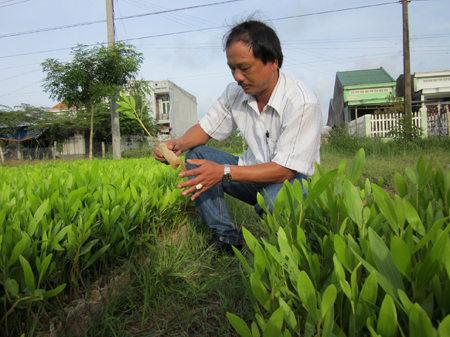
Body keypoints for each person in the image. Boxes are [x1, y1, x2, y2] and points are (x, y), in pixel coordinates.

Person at [155, 19, 322, 254]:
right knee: (196, 157)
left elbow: (285, 170)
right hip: (251, 174)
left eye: (244, 68)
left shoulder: (301, 102)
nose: (237, 77)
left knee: (273, 198)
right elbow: (205, 129)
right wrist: (178, 143)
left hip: (293, 181)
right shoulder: (235, 93)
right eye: (232, 68)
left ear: (273, 62)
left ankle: (288, 245)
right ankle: (226, 237)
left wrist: (222, 172)